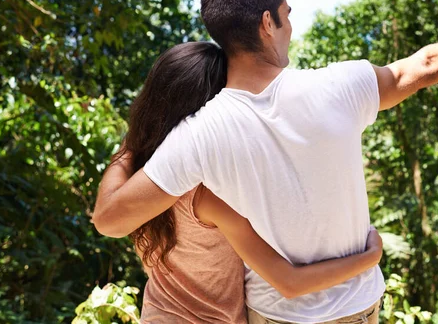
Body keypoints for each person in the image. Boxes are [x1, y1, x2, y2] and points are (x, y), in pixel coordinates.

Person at [93, 0, 438, 323]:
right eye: (287, 15)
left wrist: (133, 142)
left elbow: (111, 220)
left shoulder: (198, 134)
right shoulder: (341, 85)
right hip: (357, 307)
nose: (291, 25)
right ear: (267, 22)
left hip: (273, 314)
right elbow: (419, 67)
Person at [101, 41, 384, 323]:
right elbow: (289, 283)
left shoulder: (139, 182)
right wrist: (368, 259)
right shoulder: (208, 197)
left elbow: (105, 215)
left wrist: (134, 143)